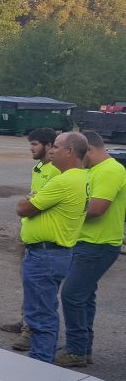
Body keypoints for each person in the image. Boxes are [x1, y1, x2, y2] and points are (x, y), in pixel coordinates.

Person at [16, 132, 89, 364]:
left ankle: (39, 365)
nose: (52, 151)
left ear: (69, 151)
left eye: (56, 147)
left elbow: (23, 208)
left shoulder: (63, 181)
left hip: (44, 255)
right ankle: (43, 359)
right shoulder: (81, 178)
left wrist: (29, 200)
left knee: (40, 315)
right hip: (56, 253)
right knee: (45, 310)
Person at [55, 130, 126, 367]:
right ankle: (82, 347)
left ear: (90, 149)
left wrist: (60, 209)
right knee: (84, 296)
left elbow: (96, 210)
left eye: (81, 153)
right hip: (85, 242)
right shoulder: (92, 170)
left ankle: (76, 350)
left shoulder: (111, 171)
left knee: (72, 295)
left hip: (98, 244)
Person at [2, 127, 59, 349]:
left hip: (44, 236)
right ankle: (26, 320)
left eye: (35, 145)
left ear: (48, 146)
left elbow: (41, 203)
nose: (32, 149)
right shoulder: (38, 168)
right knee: (27, 281)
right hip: (28, 231)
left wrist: (30, 203)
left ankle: (31, 331)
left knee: (40, 286)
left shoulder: (56, 171)